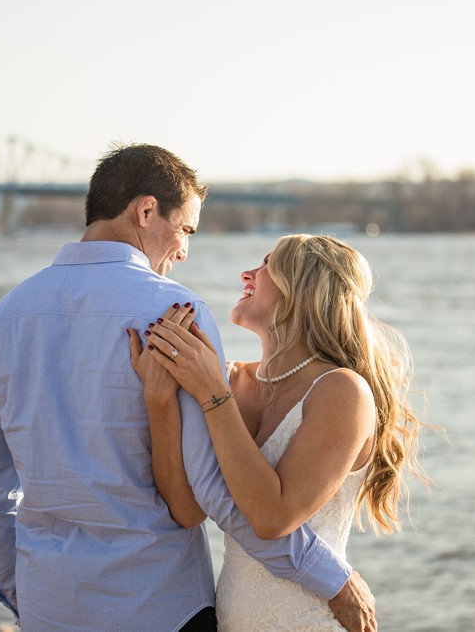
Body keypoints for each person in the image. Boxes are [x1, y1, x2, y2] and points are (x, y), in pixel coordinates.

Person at [0, 144, 375, 631]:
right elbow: (211, 492)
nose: (184, 251)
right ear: (145, 211)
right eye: (185, 230)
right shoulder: (173, 315)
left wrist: (24, 597)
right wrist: (330, 577)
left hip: (48, 606)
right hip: (159, 607)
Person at [130, 234, 429, 630]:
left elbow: (272, 517)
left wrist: (211, 394)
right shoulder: (227, 379)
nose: (247, 273)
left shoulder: (341, 391)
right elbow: (186, 510)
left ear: (301, 290)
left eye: (267, 264)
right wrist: (161, 401)